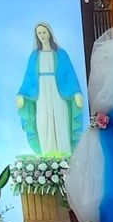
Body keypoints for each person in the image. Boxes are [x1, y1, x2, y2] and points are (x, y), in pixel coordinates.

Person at [16, 22, 84, 156]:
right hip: (41, 93)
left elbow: (69, 74)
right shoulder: (34, 56)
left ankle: (64, 154)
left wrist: (75, 93)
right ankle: (47, 154)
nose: (42, 35)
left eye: (44, 32)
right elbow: (29, 78)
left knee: (60, 119)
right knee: (43, 121)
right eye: (39, 33)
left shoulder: (60, 54)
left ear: (50, 33)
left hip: (58, 91)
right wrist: (22, 95)